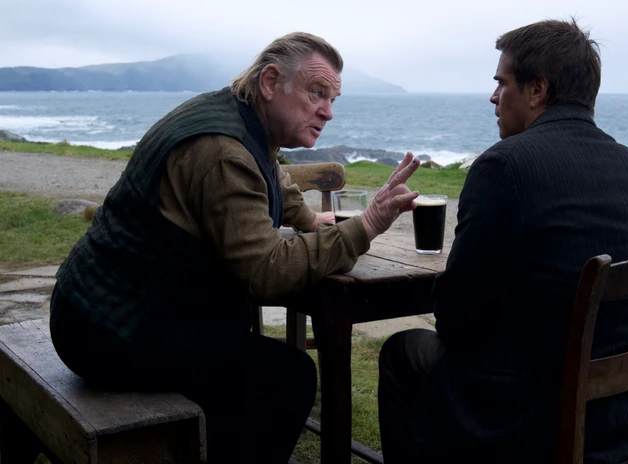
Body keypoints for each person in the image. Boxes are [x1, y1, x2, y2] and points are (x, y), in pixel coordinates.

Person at [50, 32, 420, 463]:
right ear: (270, 82)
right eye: (316, 93)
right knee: (287, 378)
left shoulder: (236, 117)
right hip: (105, 328)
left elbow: (270, 171)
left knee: (241, 351)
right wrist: (367, 225)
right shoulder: (222, 152)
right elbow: (267, 273)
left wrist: (306, 219)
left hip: (97, 307)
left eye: (332, 99)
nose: (328, 111)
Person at [378, 18, 628, 463]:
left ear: (537, 90)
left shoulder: (506, 167)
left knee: (404, 352)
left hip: (533, 426)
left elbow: (454, 317)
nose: (493, 96)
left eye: (502, 82)